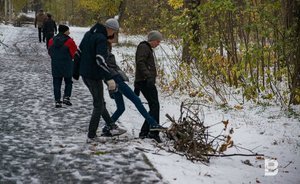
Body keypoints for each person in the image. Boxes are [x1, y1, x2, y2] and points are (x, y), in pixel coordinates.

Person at [106, 39, 166, 142]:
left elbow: (111, 68)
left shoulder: (107, 52)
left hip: (117, 80)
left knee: (121, 108)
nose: (113, 41)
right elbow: (140, 63)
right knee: (137, 100)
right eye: (111, 40)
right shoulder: (103, 53)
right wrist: (109, 80)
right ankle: (153, 124)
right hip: (117, 81)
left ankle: (107, 128)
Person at [76, 18, 126, 141]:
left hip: (86, 74)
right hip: (94, 75)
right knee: (98, 105)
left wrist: (76, 71)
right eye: (114, 32)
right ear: (110, 29)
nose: (113, 35)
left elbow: (78, 52)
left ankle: (111, 126)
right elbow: (100, 60)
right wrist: (109, 77)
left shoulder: (89, 34)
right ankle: (92, 134)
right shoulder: (101, 39)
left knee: (100, 102)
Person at [134, 30, 163, 142]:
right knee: (154, 105)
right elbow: (140, 62)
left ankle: (146, 131)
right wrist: (148, 76)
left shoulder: (146, 48)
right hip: (145, 81)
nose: (158, 43)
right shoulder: (143, 47)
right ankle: (153, 132)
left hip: (145, 80)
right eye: (157, 41)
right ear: (152, 40)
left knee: (154, 105)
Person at [48, 25, 77, 108]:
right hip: (67, 64)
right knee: (68, 82)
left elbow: (50, 52)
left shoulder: (51, 40)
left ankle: (57, 101)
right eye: (68, 31)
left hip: (56, 64)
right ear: (65, 31)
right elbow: (74, 52)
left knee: (56, 83)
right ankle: (66, 98)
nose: (69, 32)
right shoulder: (69, 41)